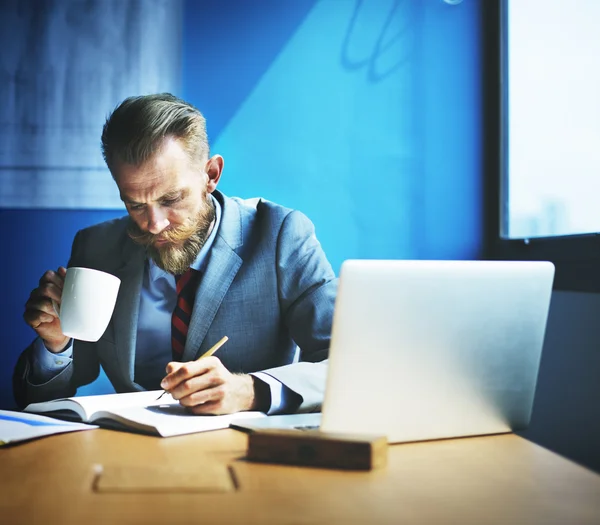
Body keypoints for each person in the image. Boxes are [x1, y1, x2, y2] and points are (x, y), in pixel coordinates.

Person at [13, 93, 337, 415]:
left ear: (211, 175)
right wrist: (56, 345)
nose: (154, 225)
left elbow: (347, 363)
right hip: (131, 451)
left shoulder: (282, 235)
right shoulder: (96, 247)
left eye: (171, 199)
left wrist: (250, 391)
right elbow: (39, 397)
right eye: (136, 205)